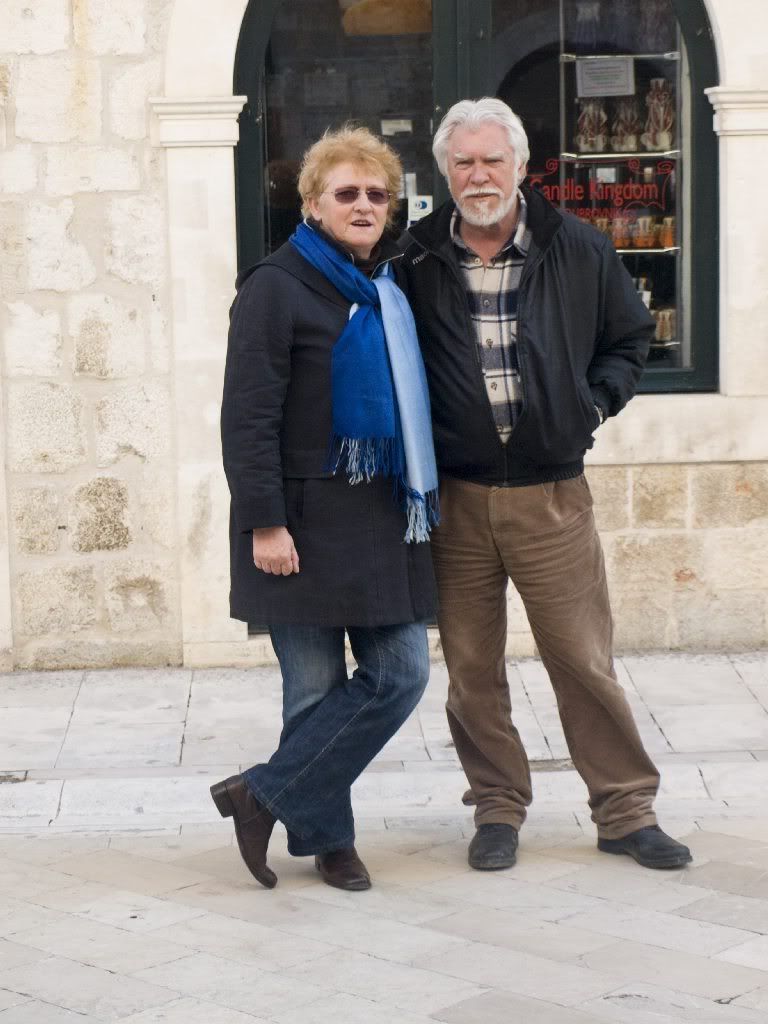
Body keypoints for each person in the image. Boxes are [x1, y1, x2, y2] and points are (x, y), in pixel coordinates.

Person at [399, 98, 691, 872]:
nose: (479, 175)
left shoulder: (578, 246)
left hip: (552, 495)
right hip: (456, 498)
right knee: (471, 670)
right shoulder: (414, 255)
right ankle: (497, 808)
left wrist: (593, 403)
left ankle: (625, 811)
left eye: (493, 160)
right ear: (445, 170)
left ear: (522, 166)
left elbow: (630, 337)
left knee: (583, 660)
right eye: (464, 161)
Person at [213, 126, 439, 891]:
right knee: (311, 692)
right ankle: (328, 840)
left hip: (381, 519)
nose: (364, 205)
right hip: (300, 523)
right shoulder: (274, 287)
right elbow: (247, 416)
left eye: (378, 194)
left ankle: (261, 794)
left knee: (401, 672)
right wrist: (264, 522)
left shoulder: (388, 287)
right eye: (347, 193)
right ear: (313, 203)